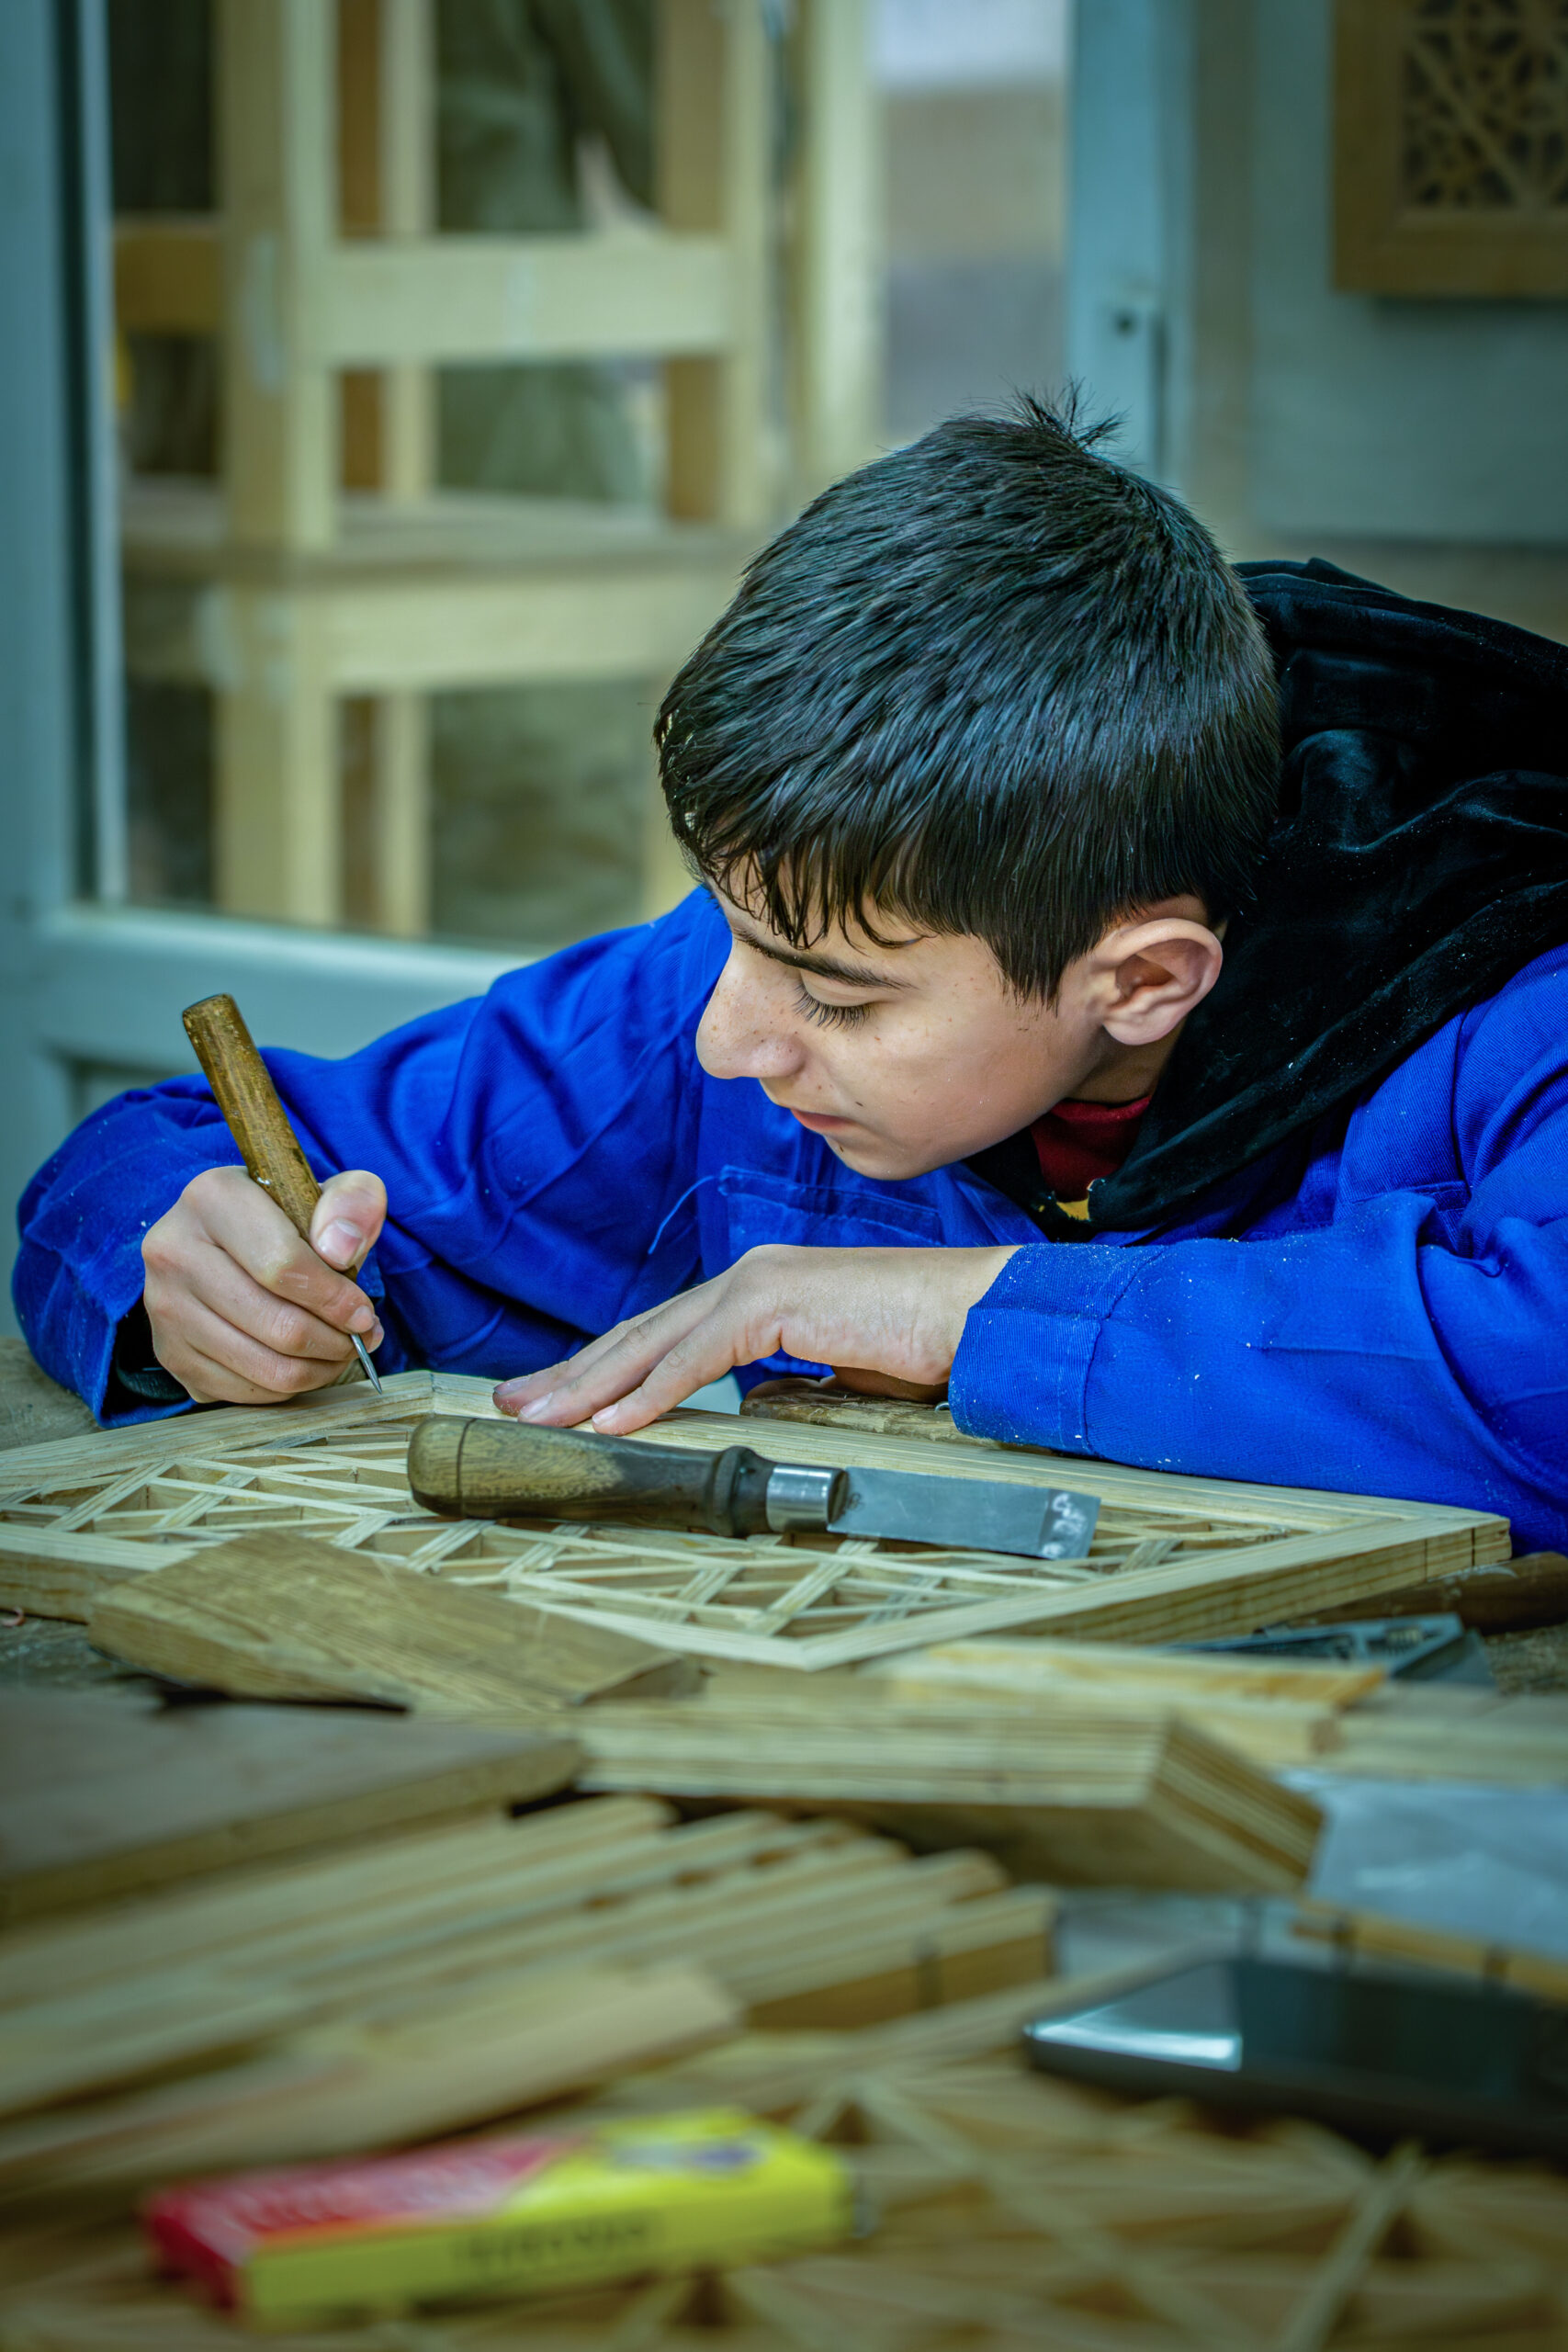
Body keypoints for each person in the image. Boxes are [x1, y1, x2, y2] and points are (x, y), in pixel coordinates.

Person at [15, 400, 1568, 1547]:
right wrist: (181, 1273)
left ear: (1146, 981)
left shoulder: (1498, 985)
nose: (725, 1041)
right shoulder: (788, 945)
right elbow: (161, 1150)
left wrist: (967, 1311)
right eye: (733, 928)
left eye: (836, 998)